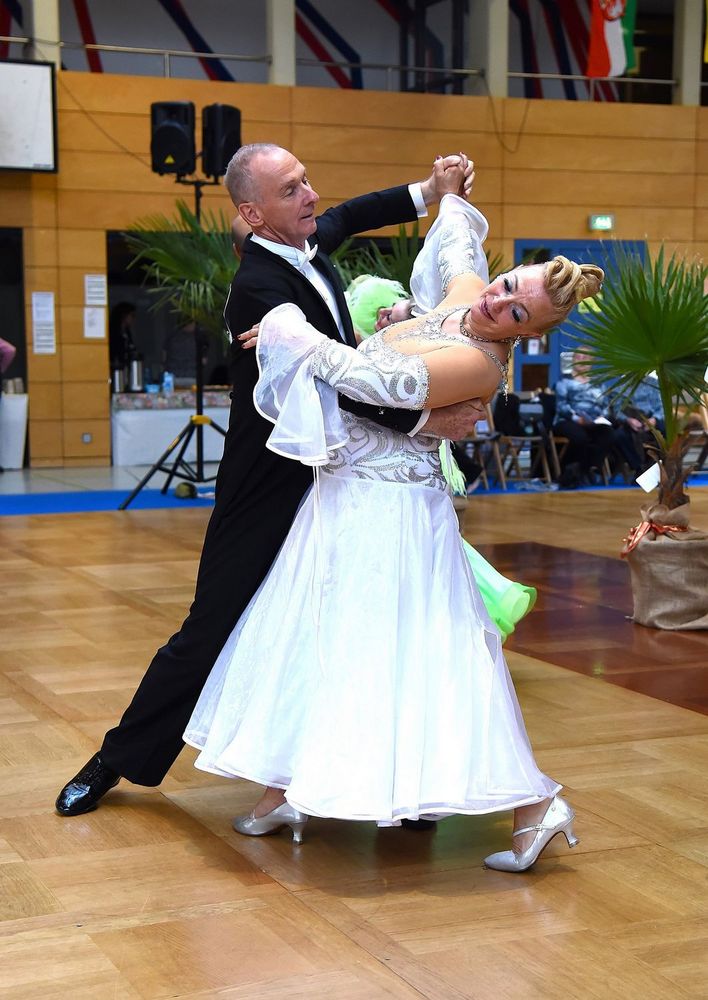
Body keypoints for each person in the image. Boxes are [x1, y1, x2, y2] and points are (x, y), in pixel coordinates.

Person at [55, 144, 481, 819]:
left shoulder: (303, 242)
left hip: (338, 473)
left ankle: (371, 780)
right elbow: (336, 383)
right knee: (212, 623)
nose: (310, 196)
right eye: (290, 190)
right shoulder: (258, 288)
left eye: (306, 180)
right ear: (253, 214)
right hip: (269, 484)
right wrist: (427, 418)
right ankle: (116, 758)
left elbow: (351, 214)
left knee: (349, 620)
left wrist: (427, 191)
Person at [184, 189, 604, 872]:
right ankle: (287, 788)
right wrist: (446, 195)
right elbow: (458, 248)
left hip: (395, 518)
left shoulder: (480, 362)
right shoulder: (463, 301)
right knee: (313, 643)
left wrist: (293, 332)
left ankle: (535, 805)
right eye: (506, 284)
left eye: (516, 311)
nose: (496, 302)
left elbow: (369, 381)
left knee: (401, 659)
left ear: (528, 335)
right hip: (339, 499)